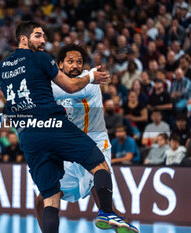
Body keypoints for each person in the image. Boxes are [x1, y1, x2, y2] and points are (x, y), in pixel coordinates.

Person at [0, 21, 131, 233]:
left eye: (44, 36)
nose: (44, 40)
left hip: (29, 137)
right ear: (23, 39)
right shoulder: (41, 59)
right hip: (53, 127)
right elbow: (71, 86)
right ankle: (107, 213)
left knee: (50, 198)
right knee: (99, 165)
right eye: (38, 35)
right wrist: (91, 76)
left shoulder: (3, 67)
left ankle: (107, 214)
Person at [36, 43, 138, 232]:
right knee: (43, 199)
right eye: (70, 61)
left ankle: (113, 218)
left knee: (98, 190)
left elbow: (68, 89)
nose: (75, 65)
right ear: (60, 65)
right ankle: (115, 219)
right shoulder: (53, 85)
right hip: (70, 148)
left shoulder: (88, 79)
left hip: (95, 142)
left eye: (79, 62)